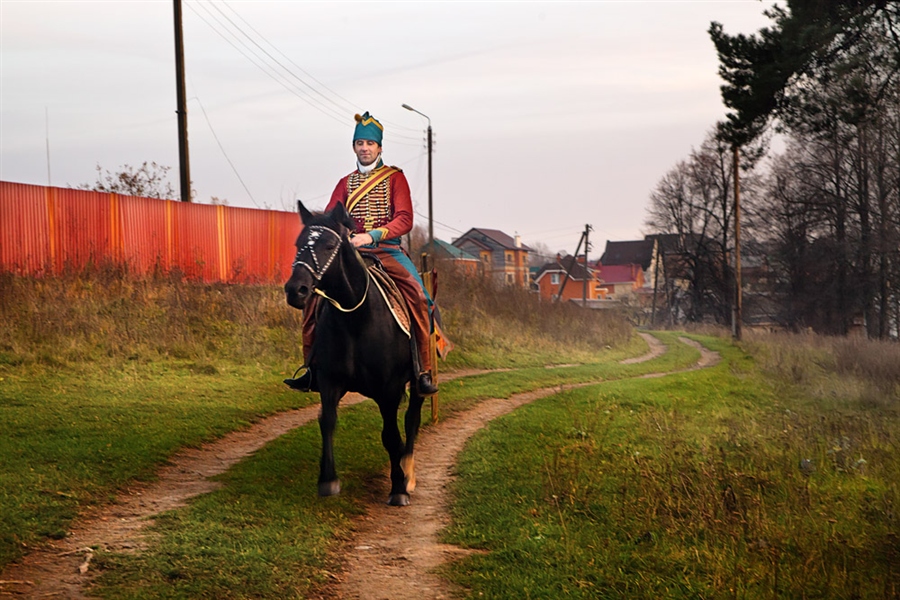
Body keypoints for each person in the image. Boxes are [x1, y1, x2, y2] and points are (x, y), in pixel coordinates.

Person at [287, 111, 439, 396]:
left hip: (387, 250)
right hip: (350, 254)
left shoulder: (395, 179)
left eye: (370, 143)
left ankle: (422, 371)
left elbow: (405, 219)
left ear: (379, 148)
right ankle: (312, 368)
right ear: (354, 147)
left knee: (419, 298)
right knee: (313, 297)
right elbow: (331, 218)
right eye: (360, 143)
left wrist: (372, 235)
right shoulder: (345, 183)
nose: (365, 148)